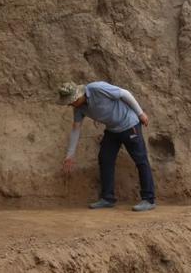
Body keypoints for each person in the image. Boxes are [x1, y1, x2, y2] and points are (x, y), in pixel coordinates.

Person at [58, 81, 156, 211]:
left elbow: (124, 94)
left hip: (129, 124)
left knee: (141, 160)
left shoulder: (97, 89)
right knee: (105, 158)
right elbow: (76, 129)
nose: (70, 104)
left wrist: (140, 113)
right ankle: (107, 198)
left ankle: (149, 199)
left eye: (70, 101)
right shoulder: (79, 108)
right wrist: (70, 155)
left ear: (78, 96)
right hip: (112, 129)